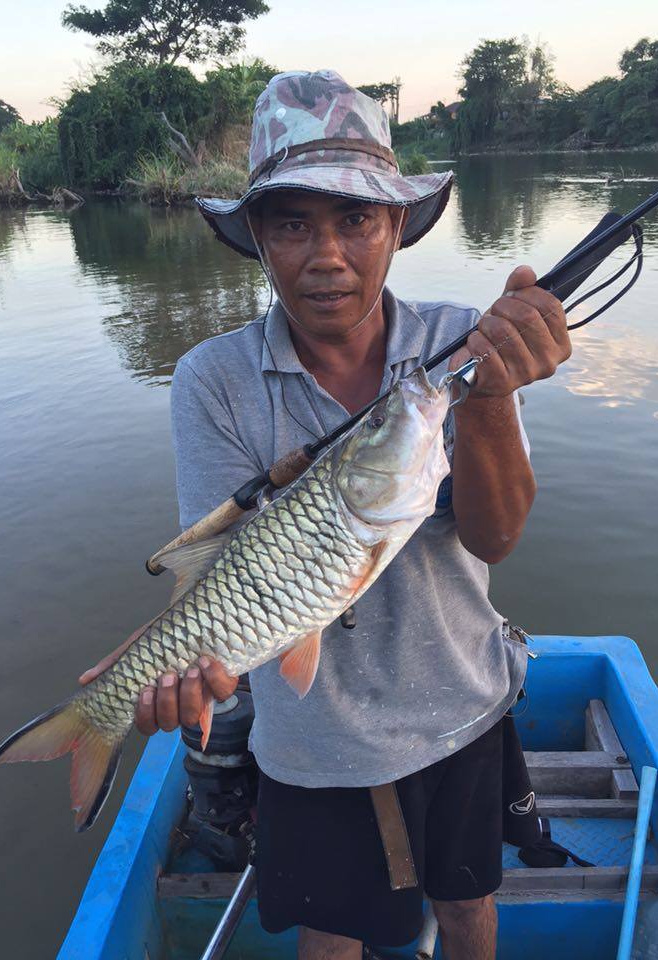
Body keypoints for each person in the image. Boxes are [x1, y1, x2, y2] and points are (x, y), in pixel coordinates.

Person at [81, 70, 571, 960]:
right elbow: (224, 576)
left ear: (396, 228)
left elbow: (497, 537)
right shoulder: (213, 381)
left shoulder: (460, 346)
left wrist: (490, 400)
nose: (328, 254)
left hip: (464, 703)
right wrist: (179, 667)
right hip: (316, 742)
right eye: (292, 222)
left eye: (357, 219)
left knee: (469, 903)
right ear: (258, 239)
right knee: (335, 929)